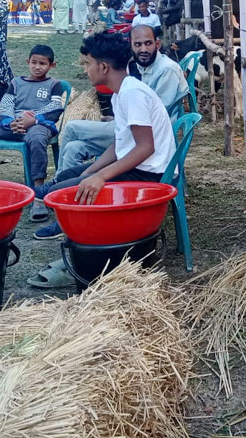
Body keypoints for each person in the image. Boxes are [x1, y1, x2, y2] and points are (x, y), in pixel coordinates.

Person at [29, 33, 176, 288]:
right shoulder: (121, 93)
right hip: (137, 165)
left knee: (64, 194)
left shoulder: (132, 94)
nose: (85, 70)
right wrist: (92, 172)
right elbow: (120, 144)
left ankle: (77, 259)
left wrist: (101, 177)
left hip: (150, 174)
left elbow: (145, 148)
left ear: (104, 67)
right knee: (66, 181)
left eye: (87, 63)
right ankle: (77, 245)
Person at [56, 24, 188, 172]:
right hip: (134, 130)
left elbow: (154, 113)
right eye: (138, 44)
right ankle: (60, 185)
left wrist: (100, 175)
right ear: (131, 46)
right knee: (73, 148)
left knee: (71, 127)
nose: (143, 49)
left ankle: (59, 188)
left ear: (157, 44)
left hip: (148, 135)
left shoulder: (165, 70)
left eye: (148, 43)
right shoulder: (137, 71)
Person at [0, 45, 64, 221]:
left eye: (43, 64)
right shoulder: (16, 83)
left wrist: (34, 119)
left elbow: (55, 108)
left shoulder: (55, 85)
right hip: (12, 125)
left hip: (38, 124)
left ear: (52, 65)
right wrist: (10, 122)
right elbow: (6, 105)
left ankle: (38, 193)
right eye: (34, 62)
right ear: (27, 62)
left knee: (37, 140)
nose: (37, 67)